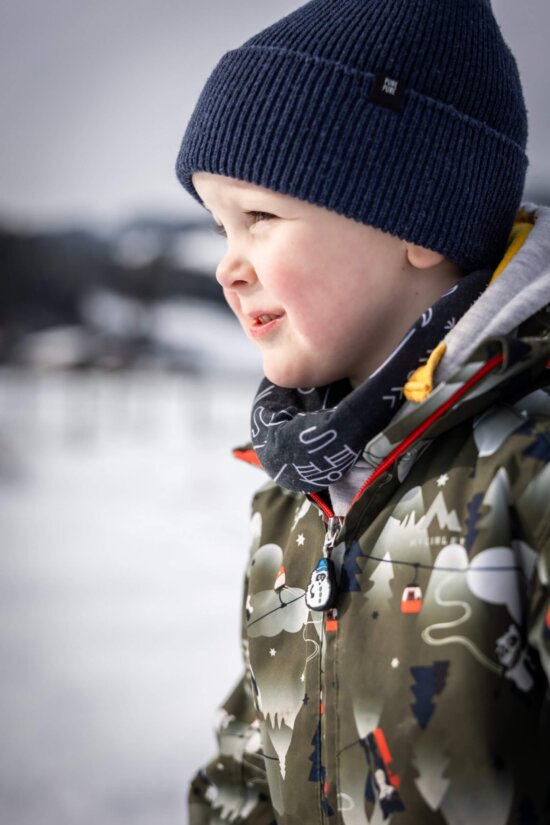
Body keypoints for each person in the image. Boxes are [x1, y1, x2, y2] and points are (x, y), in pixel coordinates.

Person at [175, 1, 550, 822]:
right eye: (217, 227)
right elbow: (248, 771)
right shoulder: (299, 491)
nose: (225, 267)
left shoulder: (527, 471)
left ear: (420, 216)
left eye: (261, 218)